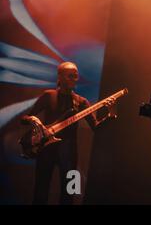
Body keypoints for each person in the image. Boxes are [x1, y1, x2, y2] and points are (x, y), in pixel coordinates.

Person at [21, 62, 113, 205]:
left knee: (70, 193)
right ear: (60, 77)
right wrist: (33, 119)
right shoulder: (48, 95)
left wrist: (107, 113)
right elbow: (24, 118)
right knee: (40, 193)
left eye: (76, 76)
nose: (74, 79)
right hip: (45, 150)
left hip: (70, 153)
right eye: (70, 76)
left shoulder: (81, 102)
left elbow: (96, 127)